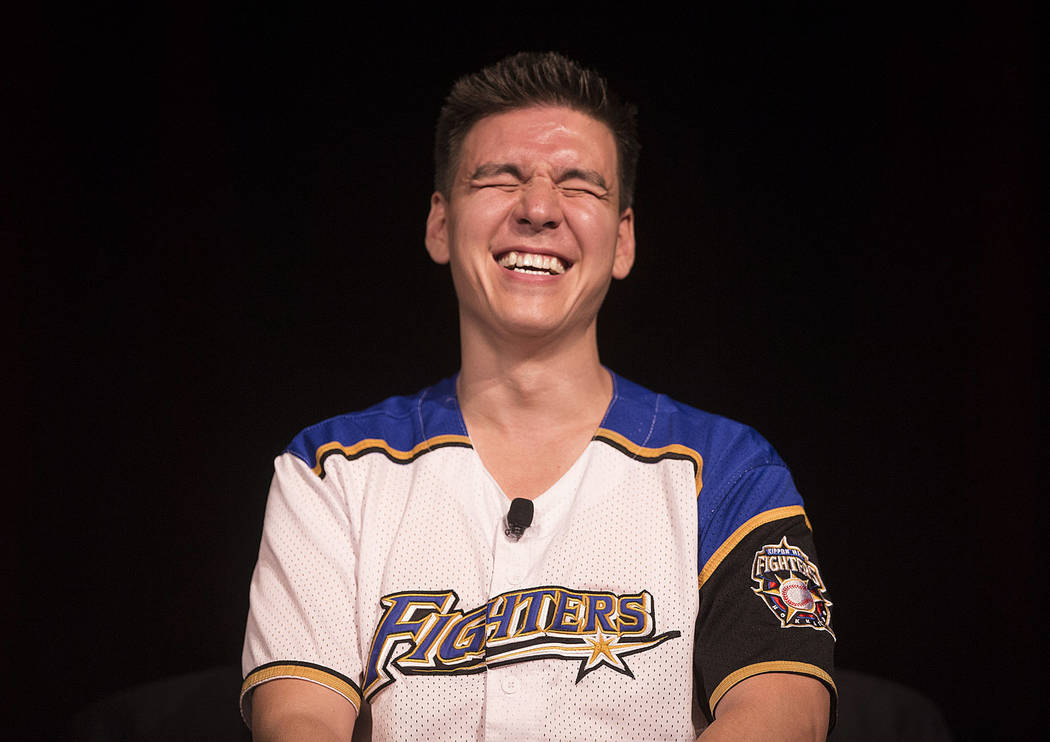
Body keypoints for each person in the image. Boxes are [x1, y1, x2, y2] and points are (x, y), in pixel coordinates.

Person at [240, 51, 836, 741]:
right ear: (439, 224)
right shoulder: (329, 470)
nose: (539, 210)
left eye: (580, 187)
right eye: (499, 179)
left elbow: (784, 715)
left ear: (622, 240)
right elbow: (299, 722)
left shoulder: (729, 470)